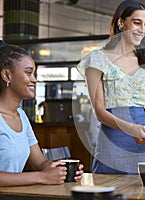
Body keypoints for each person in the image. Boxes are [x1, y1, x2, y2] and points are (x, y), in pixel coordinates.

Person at [77, 0, 145, 174]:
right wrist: (130, 128)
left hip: (144, 139)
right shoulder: (97, 59)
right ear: (121, 22)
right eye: (136, 22)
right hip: (113, 139)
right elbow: (99, 112)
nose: (142, 29)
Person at [0, 41, 84, 186]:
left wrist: (61, 170)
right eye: (28, 73)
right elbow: (41, 173)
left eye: (34, 73)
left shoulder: (21, 117)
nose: (34, 79)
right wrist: (42, 177)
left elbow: (41, 162)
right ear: (7, 75)